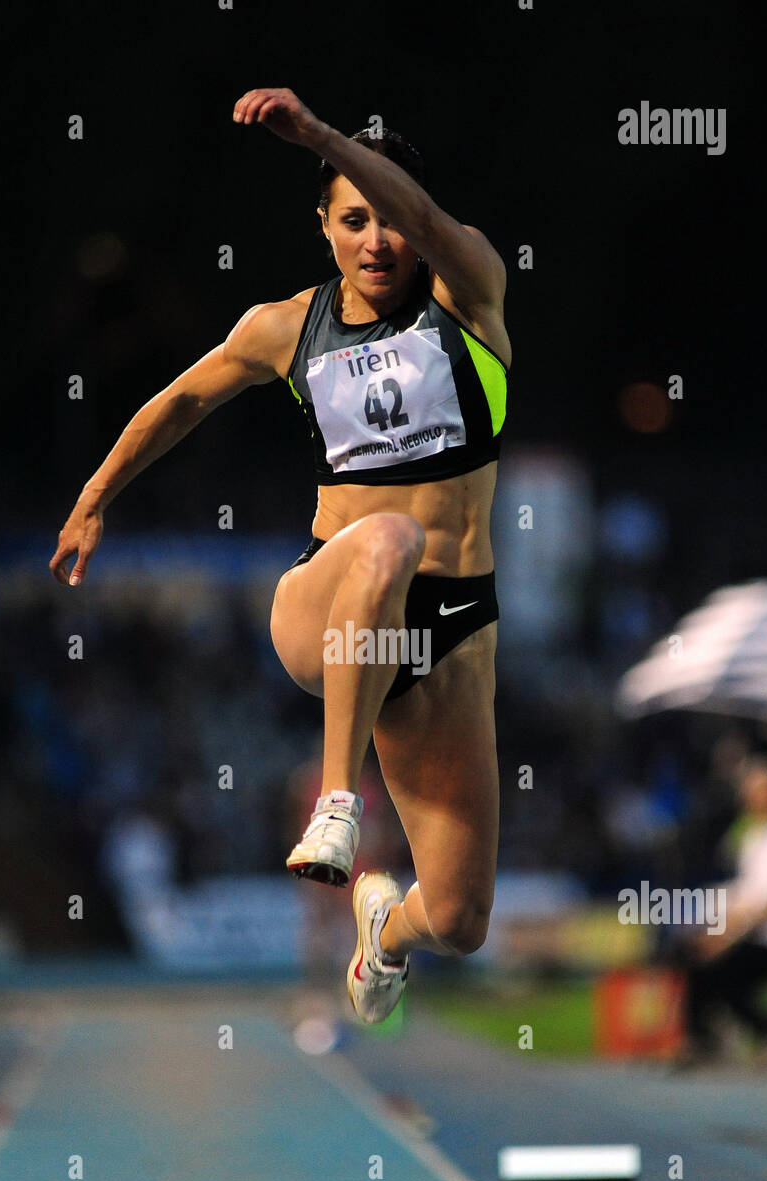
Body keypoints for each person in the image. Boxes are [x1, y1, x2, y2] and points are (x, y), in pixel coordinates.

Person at [50, 87, 511, 1024]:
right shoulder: (287, 329)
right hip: (330, 597)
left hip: (452, 628)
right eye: (353, 221)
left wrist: (320, 136)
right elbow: (180, 401)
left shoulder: (470, 293)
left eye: (391, 219)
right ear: (324, 227)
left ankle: (384, 932)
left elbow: (423, 214)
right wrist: (94, 499)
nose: (377, 240)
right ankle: (336, 801)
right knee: (385, 536)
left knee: (461, 918)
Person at [683, 757, 767, 1062]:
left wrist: (730, 934)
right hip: (760, 933)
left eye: (759, 792)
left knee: (725, 970)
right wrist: (717, 929)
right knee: (696, 954)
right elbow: (748, 894)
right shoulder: (756, 837)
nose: (753, 800)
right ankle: (701, 1040)